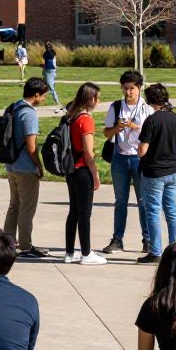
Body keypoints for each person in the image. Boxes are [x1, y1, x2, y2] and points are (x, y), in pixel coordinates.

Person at [102, 70, 153, 255]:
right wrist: (117, 128)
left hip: (140, 158)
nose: (129, 92)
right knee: (120, 201)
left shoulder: (147, 109)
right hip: (120, 158)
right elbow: (106, 133)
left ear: (139, 88)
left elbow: (151, 133)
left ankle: (147, 240)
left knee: (143, 201)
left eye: (132, 88)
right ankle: (117, 239)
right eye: (125, 88)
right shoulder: (116, 107)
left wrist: (135, 126)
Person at [136, 84, 176, 265]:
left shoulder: (152, 121)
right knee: (171, 210)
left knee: (153, 211)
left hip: (154, 171)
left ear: (149, 101)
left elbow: (142, 150)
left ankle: (155, 251)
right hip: (173, 169)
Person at [3, 78, 50, 258]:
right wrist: (38, 166)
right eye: (43, 95)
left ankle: (7, 242)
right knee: (27, 208)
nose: (44, 98)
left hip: (11, 165)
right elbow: (31, 147)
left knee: (14, 205)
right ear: (36, 95)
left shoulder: (14, 106)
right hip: (25, 167)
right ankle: (25, 246)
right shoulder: (29, 114)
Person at [64, 82, 107, 265]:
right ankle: (86, 253)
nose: (99, 100)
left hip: (71, 169)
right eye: (97, 97)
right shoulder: (86, 119)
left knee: (73, 211)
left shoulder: (71, 115)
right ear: (92, 99)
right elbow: (88, 153)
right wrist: (95, 174)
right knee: (84, 213)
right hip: (82, 170)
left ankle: (69, 252)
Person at [40, 42, 62, 110]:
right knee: (43, 85)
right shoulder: (52, 52)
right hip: (49, 71)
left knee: (50, 87)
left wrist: (43, 65)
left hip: (49, 71)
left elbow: (49, 58)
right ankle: (37, 97)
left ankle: (57, 102)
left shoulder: (48, 53)